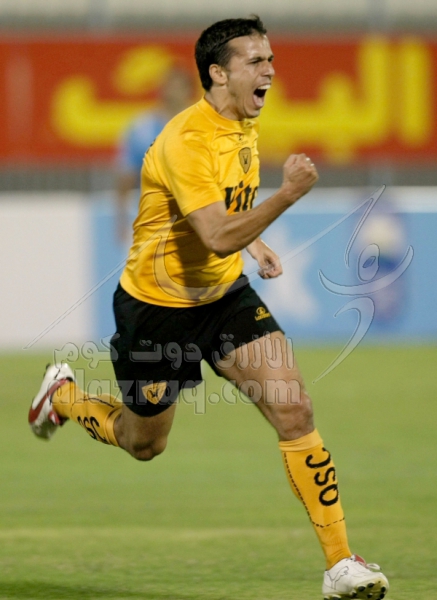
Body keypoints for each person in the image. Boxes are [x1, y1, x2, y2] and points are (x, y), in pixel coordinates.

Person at [29, 16, 389, 600]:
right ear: (219, 73)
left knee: (293, 408)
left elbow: (223, 214)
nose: (270, 70)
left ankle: (341, 564)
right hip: (157, 311)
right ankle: (64, 396)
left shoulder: (242, 122)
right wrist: (287, 195)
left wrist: (256, 242)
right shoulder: (186, 140)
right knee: (144, 444)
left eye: (270, 59)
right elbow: (217, 234)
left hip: (223, 297)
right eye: (256, 60)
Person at [115, 67, 194, 243]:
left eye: (179, 86)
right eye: (170, 86)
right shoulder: (142, 128)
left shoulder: (202, 127)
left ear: (189, 90)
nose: (174, 91)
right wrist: (121, 218)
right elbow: (126, 176)